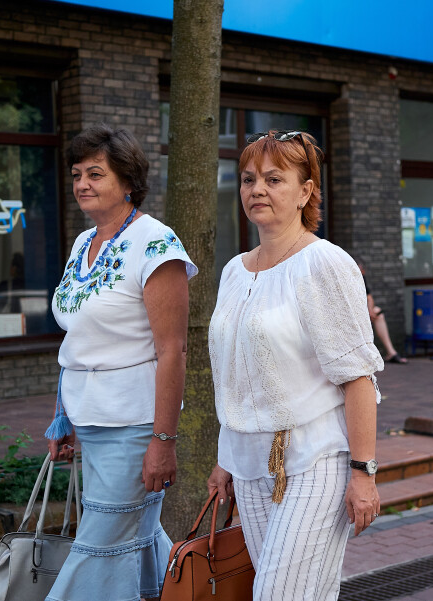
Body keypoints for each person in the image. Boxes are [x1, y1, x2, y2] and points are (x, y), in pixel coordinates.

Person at [206, 130, 384, 600]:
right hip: (248, 466)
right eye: (248, 179)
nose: (257, 189)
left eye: (274, 179)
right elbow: (234, 376)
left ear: (306, 192)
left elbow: (357, 377)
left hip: (313, 461)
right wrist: (225, 461)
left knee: (276, 595)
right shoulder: (234, 270)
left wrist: (364, 474)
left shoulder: (324, 263)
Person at [45, 124, 197, 601]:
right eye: (77, 174)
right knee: (132, 538)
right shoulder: (82, 243)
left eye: (96, 174)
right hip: (88, 419)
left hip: (134, 425)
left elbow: (173, 351)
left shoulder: (157, 244)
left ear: (128, 180)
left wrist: (164, 442)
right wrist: (63, 417)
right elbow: (77, 337)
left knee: (100, 546)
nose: (82, 184)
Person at [357, 259, 408, 364]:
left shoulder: (361, 278)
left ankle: (391, 352)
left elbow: (369, 297)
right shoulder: (346, 279)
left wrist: (370, 311)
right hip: (350, 313)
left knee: (378, 313)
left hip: (361, 311)